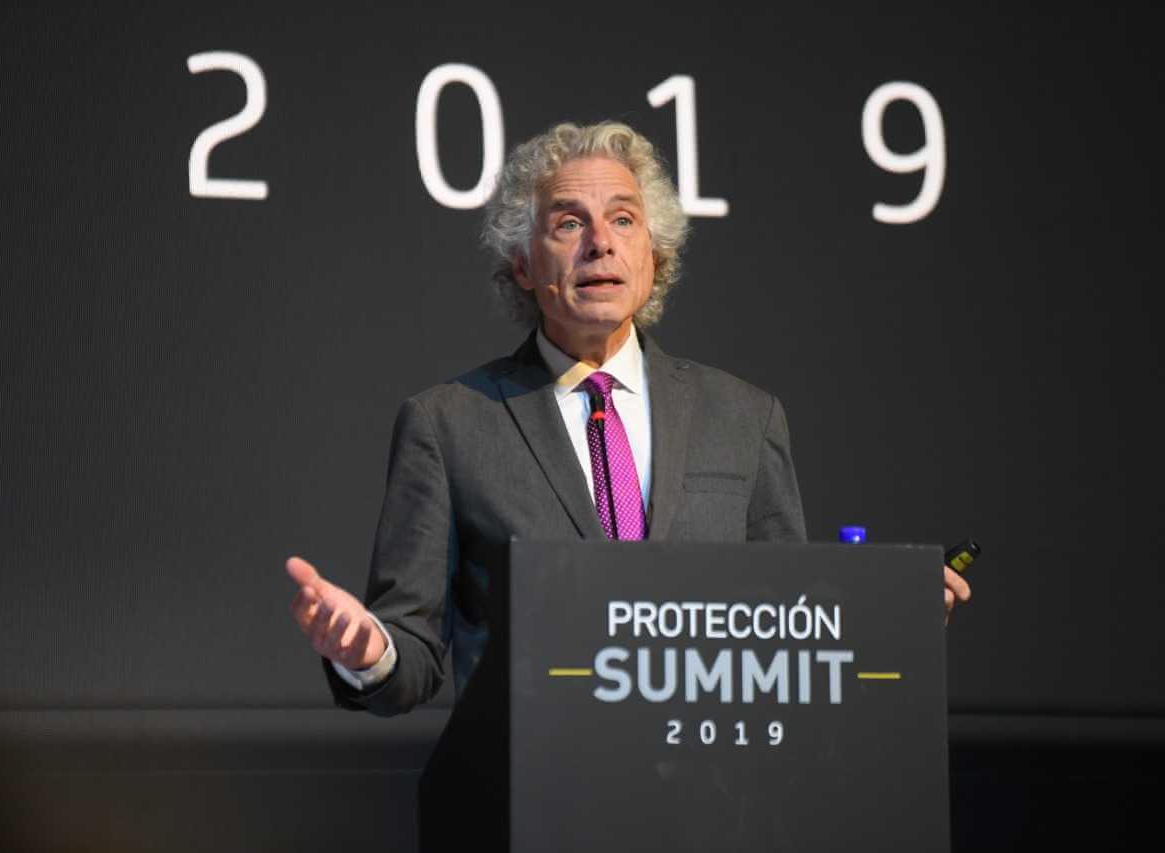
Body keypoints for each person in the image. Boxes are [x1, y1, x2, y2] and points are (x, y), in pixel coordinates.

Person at [285, 121, 971, 716]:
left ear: (654, 255)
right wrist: (368, 650)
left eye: (622, 219)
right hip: (539, 802)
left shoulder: (745, 416)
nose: (599, 243)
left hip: (719, 799)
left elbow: (790, 631)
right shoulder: (449, 423)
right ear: (523, 264)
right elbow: (412, 654)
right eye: (568, 223)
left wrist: (886, 619)